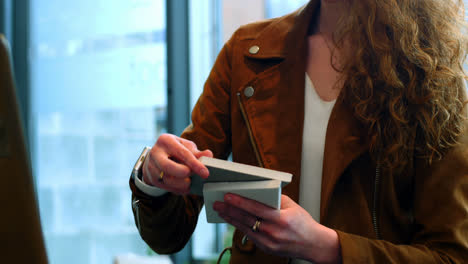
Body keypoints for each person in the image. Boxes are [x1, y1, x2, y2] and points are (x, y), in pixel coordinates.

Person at [129, 0, 468, 263]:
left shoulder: (434, 74)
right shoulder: (246, 53)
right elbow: (167, 236)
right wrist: (155, 176)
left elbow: (452, 255)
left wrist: (327, 247)